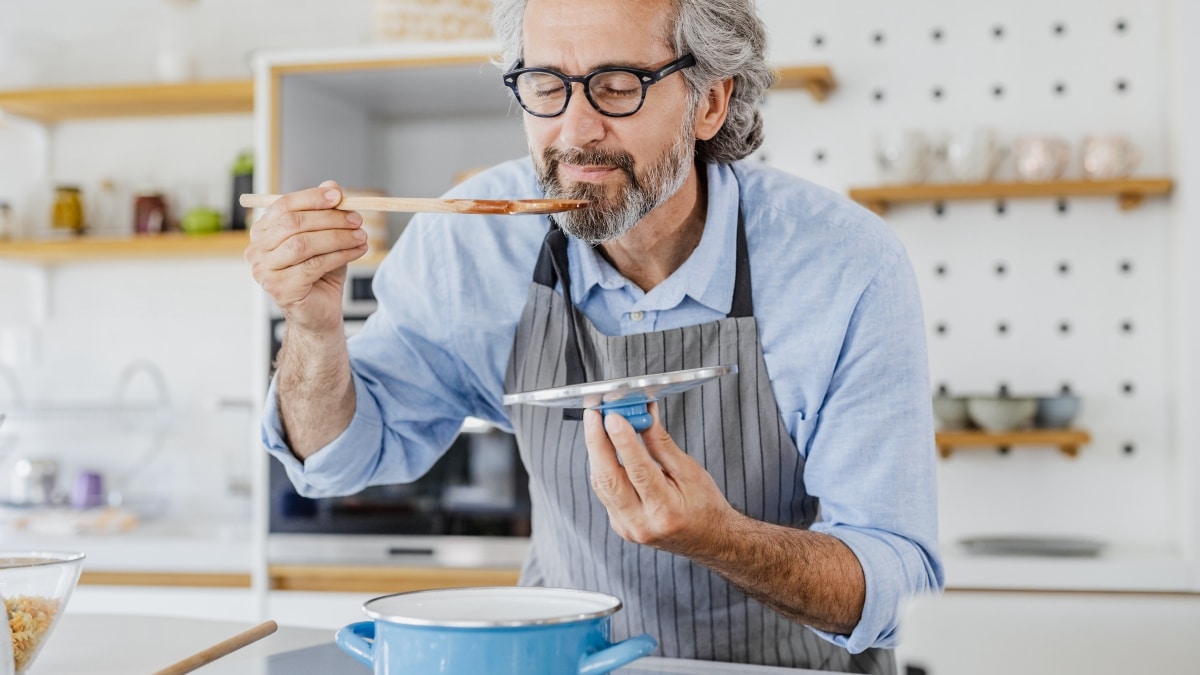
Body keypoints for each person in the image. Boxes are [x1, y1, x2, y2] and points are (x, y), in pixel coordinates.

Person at [244, 0, 944, 671]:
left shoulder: (845, 264)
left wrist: (721, 538)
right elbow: (337, 460)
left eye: (617, 86)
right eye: (545, 85)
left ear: (710, 102)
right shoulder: (473, 241)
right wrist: (313, 329)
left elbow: (896, 579)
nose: (575, 131)